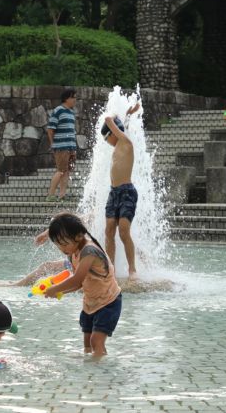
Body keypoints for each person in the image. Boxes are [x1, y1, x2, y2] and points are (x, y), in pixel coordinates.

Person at [42, 213, 122, 356]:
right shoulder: (73, 253)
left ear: (79, 236)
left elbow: (77, 279)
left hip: (108, 302)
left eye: (64, 244)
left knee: (96, 341)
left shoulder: (89, 251)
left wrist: (55, 288)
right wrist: (60, 292)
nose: (62, 248)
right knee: (87, 342)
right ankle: (88, 370)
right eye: (58, 245)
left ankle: (100, 370)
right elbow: (80, 284)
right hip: (90, 303)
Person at [101, 103, 141, 280]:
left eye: (106, 138)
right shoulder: (119, 145)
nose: (106, 142)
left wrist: (115, 114)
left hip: (126, 192)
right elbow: (122, 126)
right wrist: (128, 114)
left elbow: (109, 120)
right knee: (109, 230)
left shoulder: (125, 142)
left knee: (124, 231)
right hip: (114, 192)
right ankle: (111, 268)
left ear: (112, 134)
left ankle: (132, 269)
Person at [45, 88, 78, 202]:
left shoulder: (71, 112)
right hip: (61, 147)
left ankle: (62, 195)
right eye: (73, 97)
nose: (75, 99)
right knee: (60, 171)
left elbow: (72, 131)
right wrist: (53, 144)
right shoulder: (58, 110)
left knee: (67, 171)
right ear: (66, 98)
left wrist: (73, 148)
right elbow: (50, 129)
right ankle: (50, 195)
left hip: (70, 147)